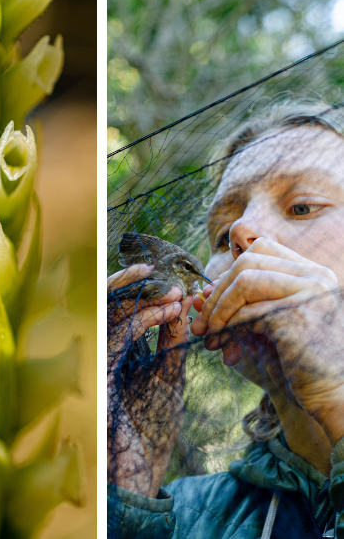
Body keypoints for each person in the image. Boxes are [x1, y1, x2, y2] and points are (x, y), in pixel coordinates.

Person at [107, 102, 344, 538]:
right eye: (220, 233)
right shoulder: (184, 514)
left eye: (303, 207)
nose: (242, 231)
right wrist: (123, 500)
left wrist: (338, 398)